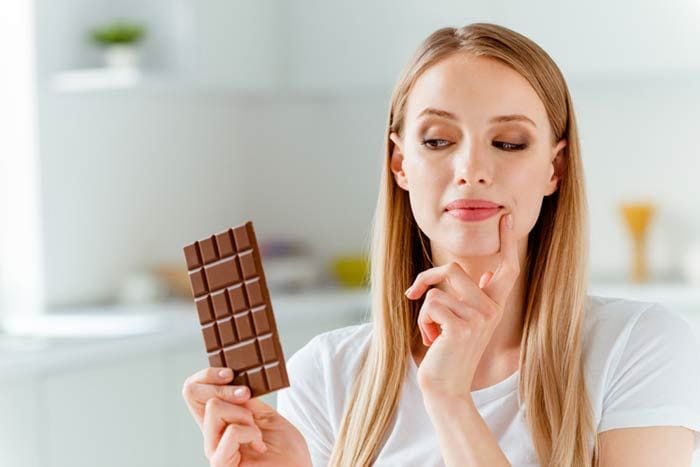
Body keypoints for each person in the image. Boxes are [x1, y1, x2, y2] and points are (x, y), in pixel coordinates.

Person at [181, 22, 700, 466]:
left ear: (554, 168)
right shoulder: (325, 376)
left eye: (509, 143)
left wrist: (450, 401)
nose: (472, 169)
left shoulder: (641, 348)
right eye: (437, 141)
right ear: (400, 164)